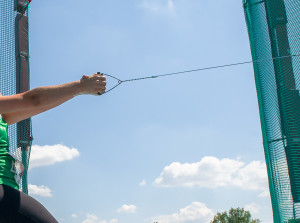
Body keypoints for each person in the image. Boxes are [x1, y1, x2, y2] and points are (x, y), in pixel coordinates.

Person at [0, 73, 106, 223]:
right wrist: (80, 86)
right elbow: (33, 100)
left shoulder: (3, 116)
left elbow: (36, 106)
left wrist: (79, 91)